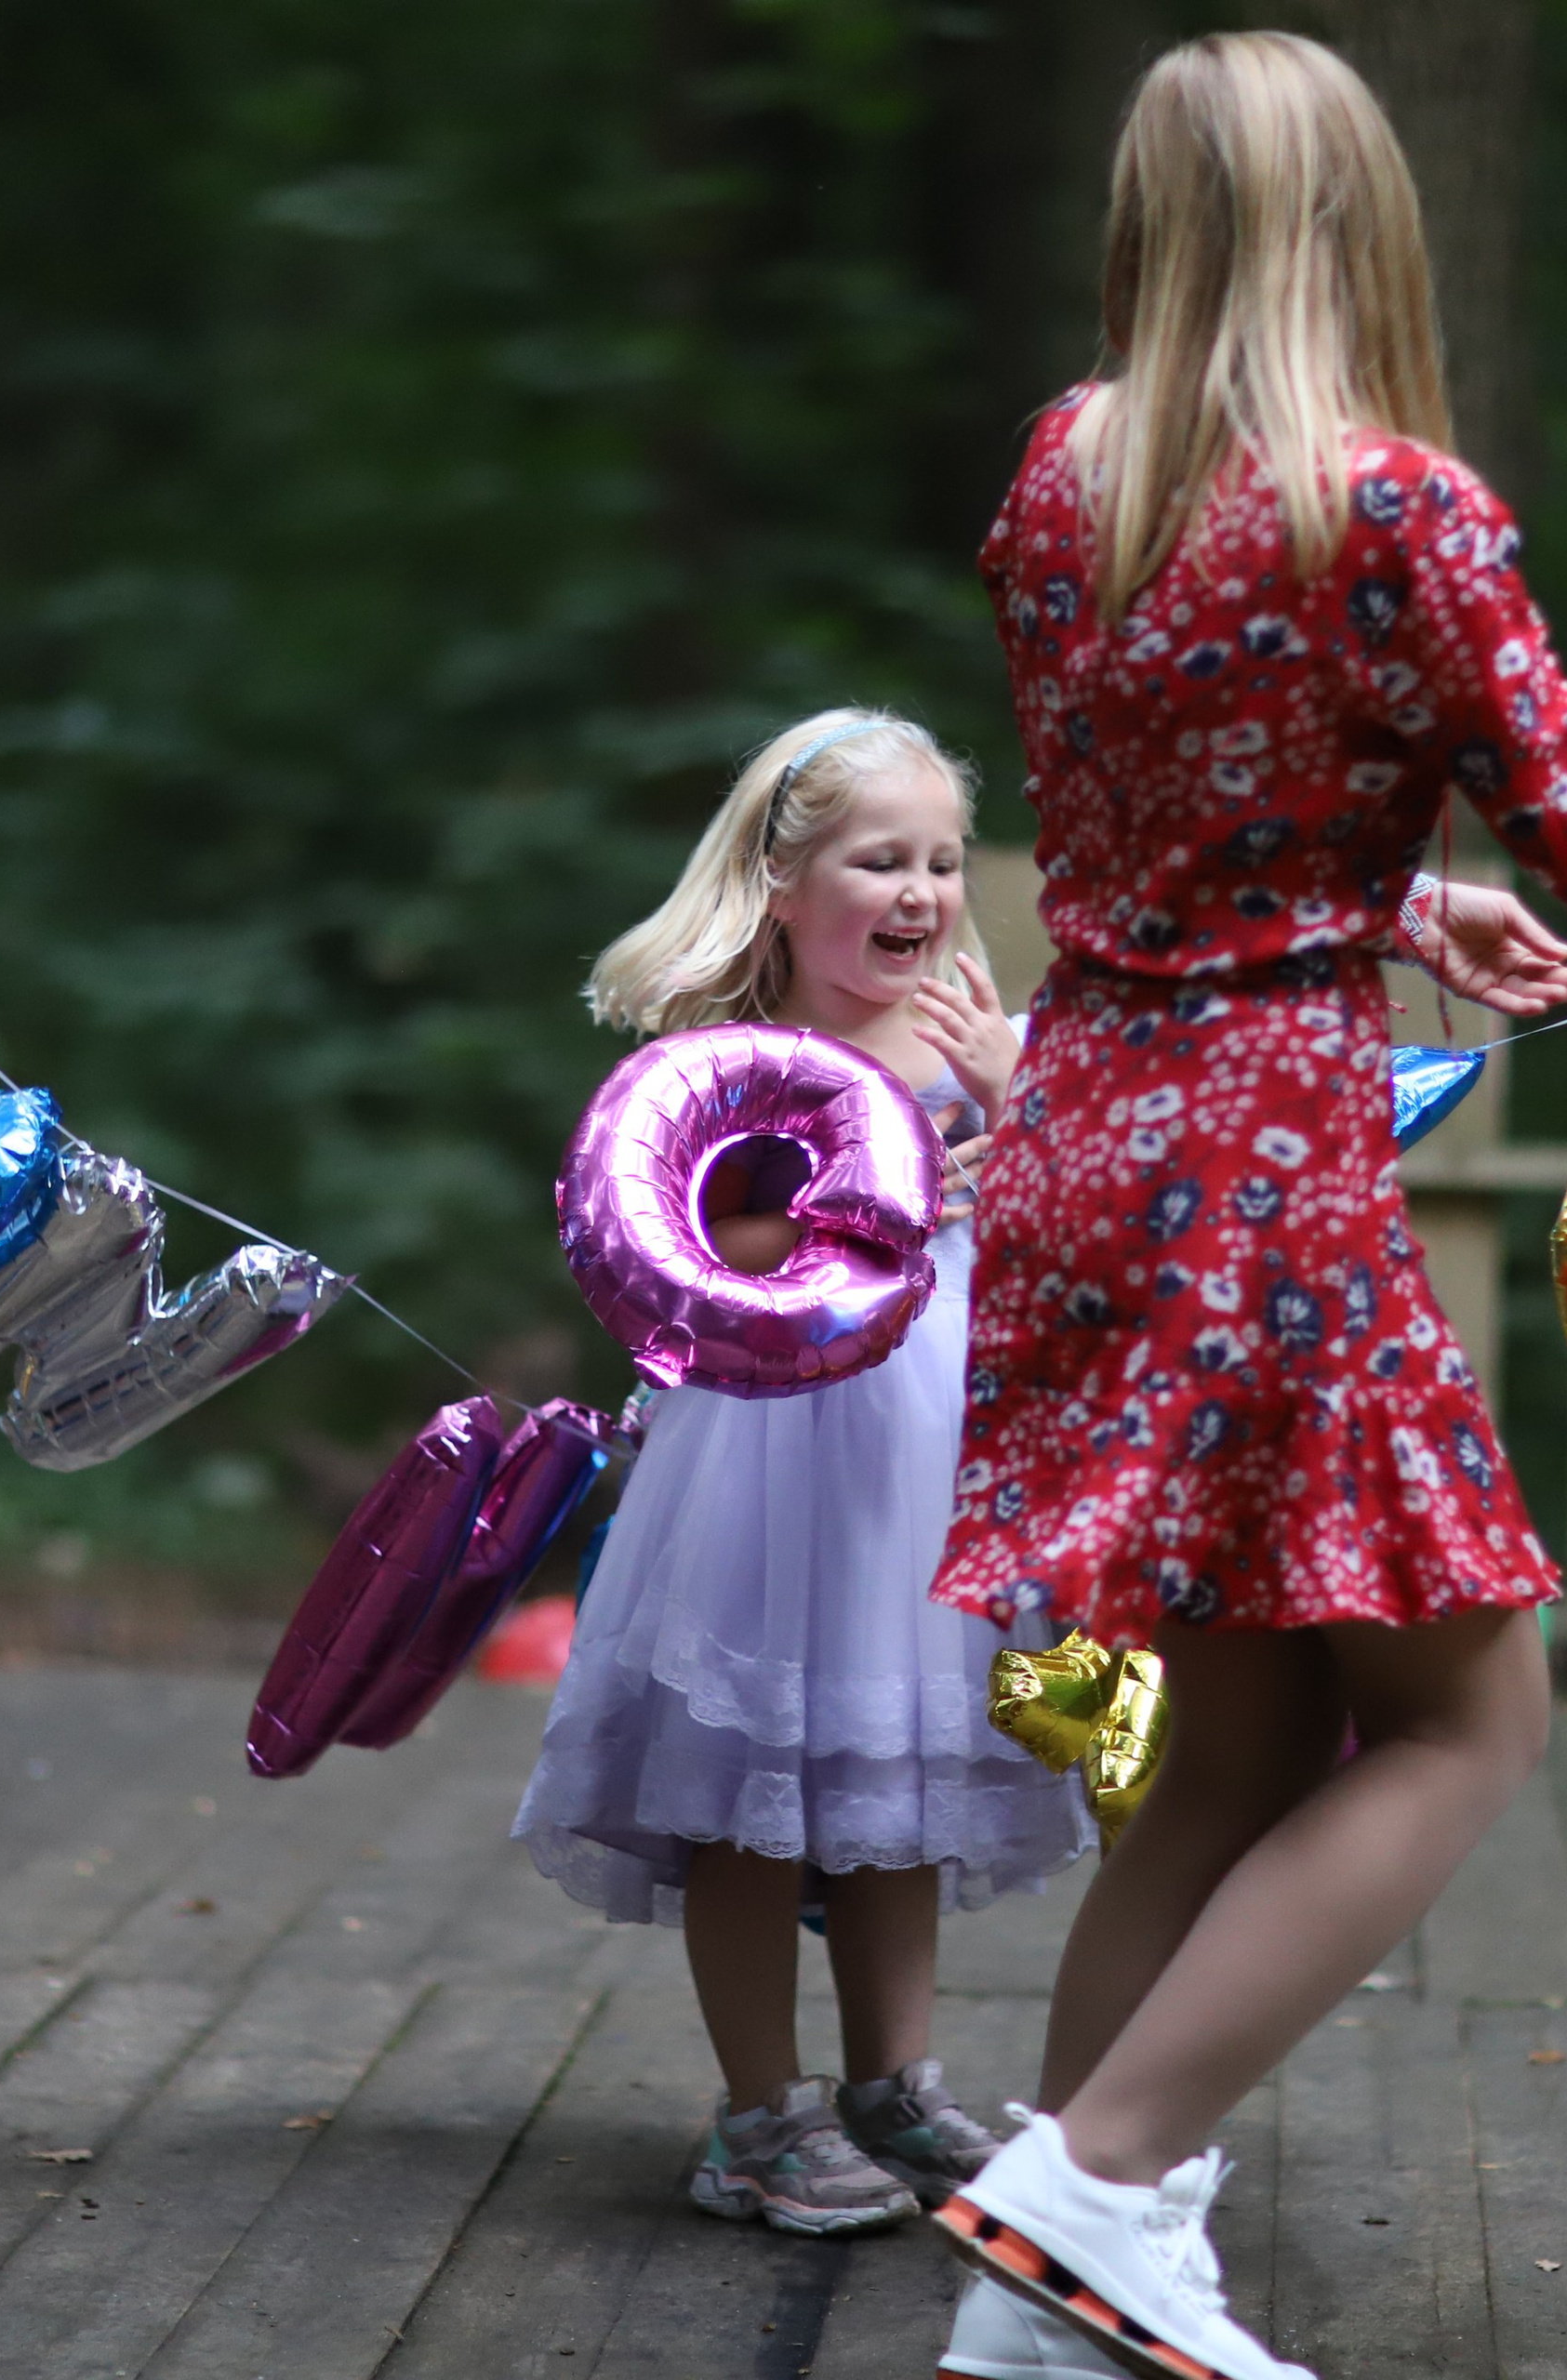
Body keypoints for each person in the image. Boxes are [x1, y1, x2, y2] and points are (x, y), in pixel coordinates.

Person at [923, 33, 1567, 2380]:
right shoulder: (1392, 507)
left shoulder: (1067, 471)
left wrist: (1379, 907)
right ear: (1360, 224)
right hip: (1258, 1166)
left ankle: (1038, 2303)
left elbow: (1180, 829)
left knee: (1239, 1753)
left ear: (1150, 219)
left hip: (1091, 1123)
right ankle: (1086, 2176)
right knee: (1469, 1718)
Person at [513, 708, 1089, 2235]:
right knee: (753, 1790)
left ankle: (893, 2084)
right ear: (783, 884)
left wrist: (1018, 1112)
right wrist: (874, 1205)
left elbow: (1066, 1235)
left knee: (896, 1769)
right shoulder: (734, 1061)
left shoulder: (971, 1025)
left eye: (944, 861)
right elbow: (680, 1252)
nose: (920, 892)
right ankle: (761, 2115)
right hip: (773, 1445)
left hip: (927, 1444)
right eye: (878, 860)